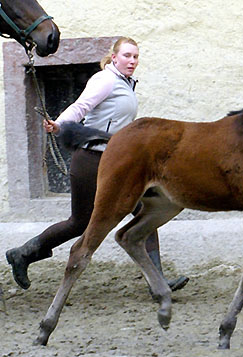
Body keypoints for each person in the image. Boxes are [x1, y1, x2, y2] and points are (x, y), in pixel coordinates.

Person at [6, 37, 188, 292]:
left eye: (135, 56)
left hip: (119, 164)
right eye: (127, 56)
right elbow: (81, 107)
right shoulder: (106, 80)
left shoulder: (125, 83)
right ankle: (24, 254)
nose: (132, 61)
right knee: (80, 222)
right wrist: (59, 124)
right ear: (114, 57)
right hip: (93, 159)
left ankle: (157, 282)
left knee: (145, 214)